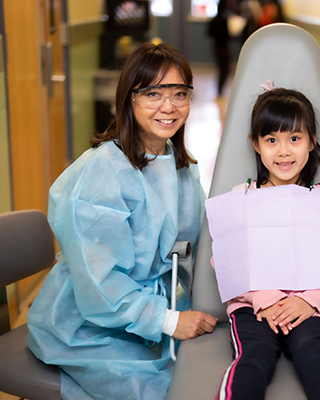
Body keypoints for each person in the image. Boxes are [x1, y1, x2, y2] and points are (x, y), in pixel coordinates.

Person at [26, 42, 218, 400]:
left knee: (214, 373)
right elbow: (99, 284)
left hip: (150, 311)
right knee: (168, 391)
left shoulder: (179, 164)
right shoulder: (102, 173)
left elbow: (197, 244)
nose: (168, 106)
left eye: (180, 94)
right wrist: (168, 321)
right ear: (129, 99)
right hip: (89, 324)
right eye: (153, 93)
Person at [215, 86, 320, 400]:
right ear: (256, 143)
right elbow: (225, 260)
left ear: (312, 141)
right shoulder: (243, 197)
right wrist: (265, 298)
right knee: (257, 354)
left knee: (311, 352)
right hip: (254, 308)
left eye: (295, 139)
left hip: (308, 308)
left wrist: (311, 300)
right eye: (271, 140)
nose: (284, 151)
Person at [208, 0, 231, 97]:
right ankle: (220, 90)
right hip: (223, 47)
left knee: (221, 69)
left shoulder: (214, 19)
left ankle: (219, 89)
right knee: (225, 70)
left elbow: (209, 33)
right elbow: (227, 36)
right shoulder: (224, 20)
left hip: (216, 47)